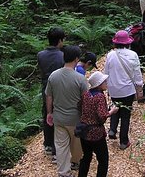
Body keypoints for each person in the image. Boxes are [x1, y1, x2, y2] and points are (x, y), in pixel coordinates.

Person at [46, 45, 89, 177]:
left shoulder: (53, 76)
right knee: (76, 145)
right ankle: (74, 162)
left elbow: (49, 96)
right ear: (76, 59)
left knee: (61, 146)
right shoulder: (80, 78)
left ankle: (63, 172)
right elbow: (85, 100)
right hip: (75, 118)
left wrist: (49, 113)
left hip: (59, 117)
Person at [104, 30, 144, 150]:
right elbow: (137, 73)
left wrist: (107, 86)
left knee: (115, 108)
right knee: (125, 115)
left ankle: (112, 129)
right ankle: (123, 141)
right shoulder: (133, 55)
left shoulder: (110, 55)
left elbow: (106, 72)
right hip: (127, 90)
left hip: (114, 89)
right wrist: (139, 87)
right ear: (127, 42)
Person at [78, 71, 119, 177]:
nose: (106, 83)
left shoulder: (86, 94)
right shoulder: (99, 97)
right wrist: (112, 111)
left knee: (86, 157)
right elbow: (102, 116)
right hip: (95, 133)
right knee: (103, 160)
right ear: (99, 84)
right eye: (104, 81)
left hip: (83, 131)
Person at [37, 27, 66, 156]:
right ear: (60, 40)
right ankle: (58, 146)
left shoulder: (40, 55)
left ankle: (48, 144)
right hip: (60, 88)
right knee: (59, 115)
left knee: (47, 114)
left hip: (45, 88)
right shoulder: (63, 55)